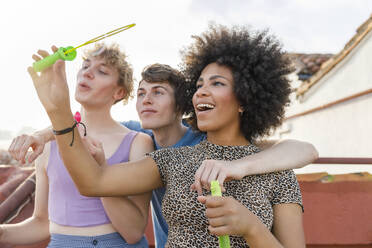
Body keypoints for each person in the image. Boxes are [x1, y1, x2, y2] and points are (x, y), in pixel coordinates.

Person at [27, 24, 309, 247]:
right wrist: (58, 111)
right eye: (198, 85)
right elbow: (93, 181)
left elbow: (302, 149)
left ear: (246, 98)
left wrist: (251, 227)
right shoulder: (167, 158)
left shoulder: (273, 169)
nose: (201, 91)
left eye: (217, 83)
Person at [0, 44, 152, 248]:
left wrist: (99, 171)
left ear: (119, 92)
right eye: (85, 66)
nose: (88, 73)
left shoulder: (138, 143)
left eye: (102, 71)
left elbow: (133, 233)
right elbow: (41, 223)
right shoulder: (46, 144)